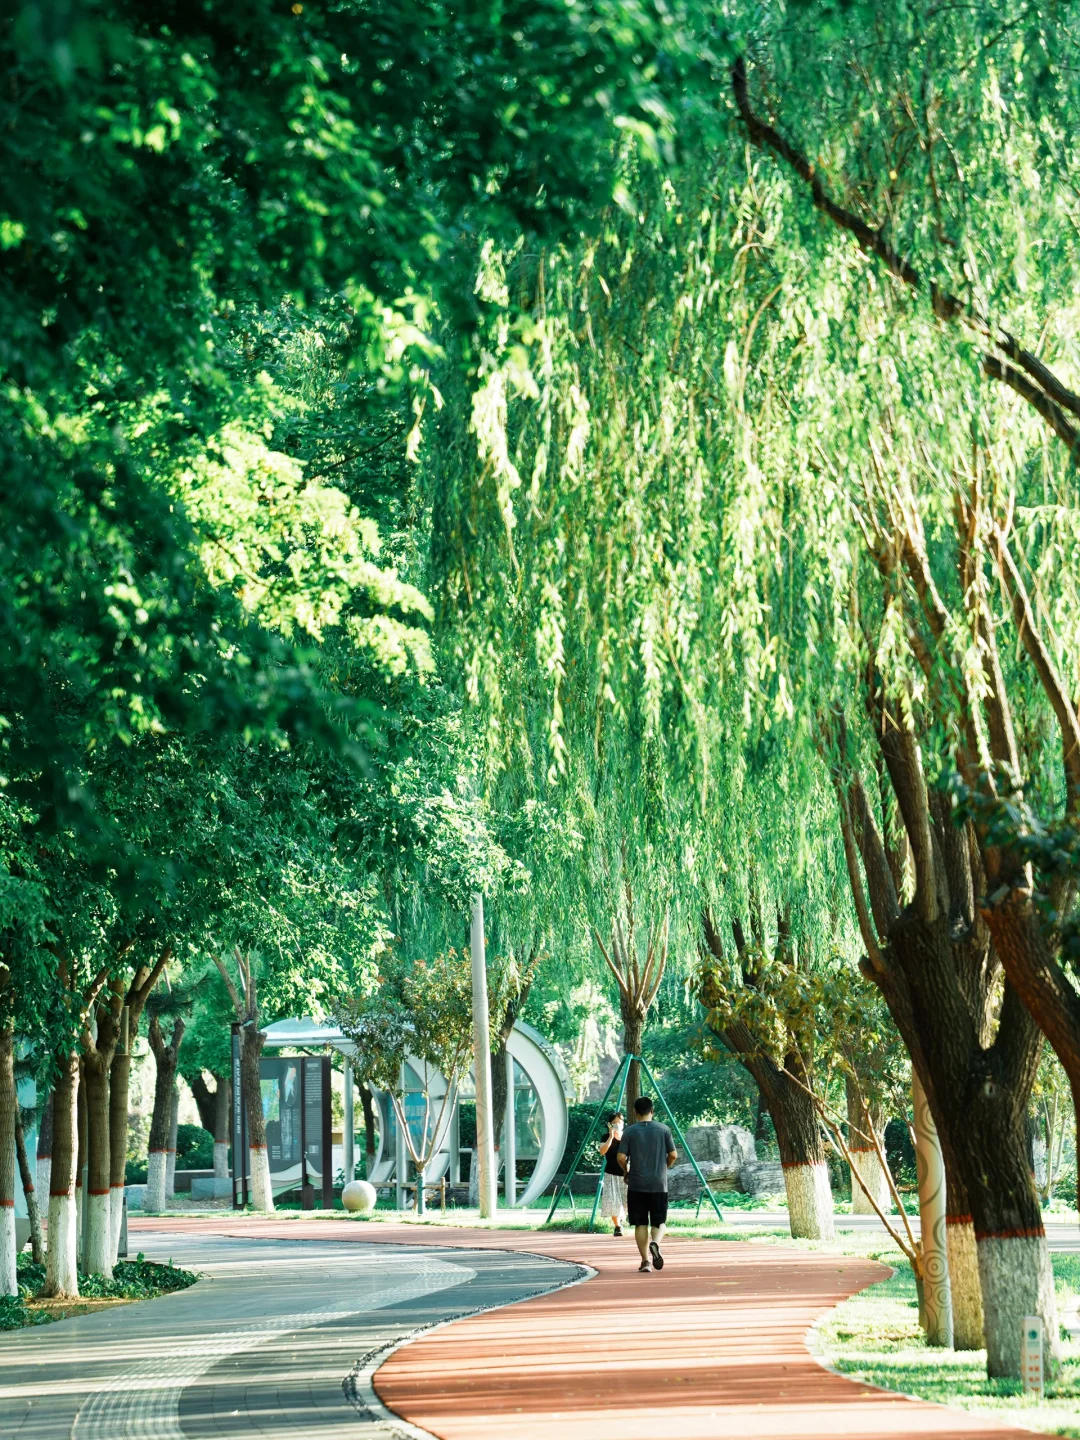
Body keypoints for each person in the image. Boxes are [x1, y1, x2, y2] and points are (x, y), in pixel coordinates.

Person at [617, 1095, 677, 1273]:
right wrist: (663, 1168)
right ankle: (655, 1243)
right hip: (658, 1184)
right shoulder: (663, 1129)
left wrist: (626, 1172)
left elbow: (621, 1157)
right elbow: (673, 1155)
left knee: (640, 1223)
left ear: (636, 1113)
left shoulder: (629, 1131)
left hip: (637, 1184)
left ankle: (645, 1262)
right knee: (659, 1221)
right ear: (652, 1111)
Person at [597, 1111, 627, 1236]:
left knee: (627, 1200)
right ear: (609, 1124)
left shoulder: (628, 1136)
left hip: (626, 1173)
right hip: (611, 1173)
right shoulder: (605, 1137)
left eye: (619, 1122)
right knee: (613, 1201)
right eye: (614, 1122)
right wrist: (611, 1136)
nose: (617, 1124)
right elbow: (602, 1151)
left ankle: (623, 1217)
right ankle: (617, 1226)